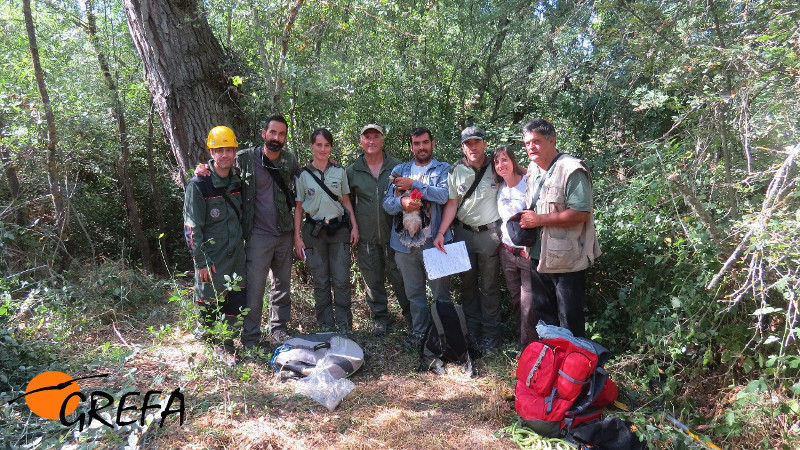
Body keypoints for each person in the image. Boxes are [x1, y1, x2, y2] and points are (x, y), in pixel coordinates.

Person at [194, 115, 299, 349]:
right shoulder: (245, 158)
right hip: (257, 235)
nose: (277, 138)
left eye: (281, 134)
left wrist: (329, 163)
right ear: (264, 133)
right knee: (254, 288)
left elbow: (307, 181)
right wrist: (202, 168)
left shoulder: (289, 160)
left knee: (282, 284)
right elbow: (221, 166)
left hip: (284, 232)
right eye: (273, 133)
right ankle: (250, 337)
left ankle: (278, 329)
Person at [518, 118, 601, 337]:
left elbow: (581, 213)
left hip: (567, 261)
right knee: (546, 320)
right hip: (538, 257)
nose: (531, 147)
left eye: (536, 141)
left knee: (569, 321)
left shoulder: (571, 169)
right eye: (527, 143)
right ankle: (553, 368)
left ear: (552, 140)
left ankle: (576, 369)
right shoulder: (533, 170)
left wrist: (539, 220)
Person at [433, 126, 503, 352]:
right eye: (468, 144)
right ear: (463, 147)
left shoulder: (497, 165)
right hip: (463, 233)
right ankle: (472, 330)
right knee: (468, 284)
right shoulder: (456, 171)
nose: (472, 147)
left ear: (484, 144)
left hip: (490, 234)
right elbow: (452, 204)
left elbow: (518, 181)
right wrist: (442, 232)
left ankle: (492, 334)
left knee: (490, 285)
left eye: (477, 142)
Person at [183, 126, 246, 364]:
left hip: (236, 255)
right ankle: (212, 344)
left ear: (235, 151)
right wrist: (200, 261)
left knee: (234, 300)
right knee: (210, 301)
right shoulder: (199, 184)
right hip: (212, 257)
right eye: (219, 150)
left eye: (229, 149)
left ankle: (227, 343)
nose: (225, 155)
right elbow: (191, 227)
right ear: (211, 151)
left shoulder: (239, 180)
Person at [383, 127, 452, 347]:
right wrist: (401, 202)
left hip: (435, 242)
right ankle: (420, 335)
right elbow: (387, 204)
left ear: (432, 144)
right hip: (404, 244)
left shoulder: (443, 169)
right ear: (411, 146)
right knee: (414, 294)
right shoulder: (399, 170)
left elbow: (443, 196)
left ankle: (446, 336)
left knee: (441, 293)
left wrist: (414, 185)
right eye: (416, 143)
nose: (421, 147)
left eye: (425, 142)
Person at [346, 124, 410, 336]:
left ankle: (410, 314)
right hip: (366, 234)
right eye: (367, 137)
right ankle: (380, 317)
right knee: (372, 278)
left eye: (376, 137)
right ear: (361, 141)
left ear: (382, 140)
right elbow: (348, 203)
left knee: (400, 275)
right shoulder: (353, 170)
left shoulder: (397, 167)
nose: (371, 141)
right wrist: (353, 228)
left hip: (395, 233)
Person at [294, 128, 359, 332]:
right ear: (312, 146)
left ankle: (344, 326)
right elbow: (297, 208)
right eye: (319, 145)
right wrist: (297, 237)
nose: (323, 149)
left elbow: (347, 201)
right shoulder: (302, 175)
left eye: (327, 145)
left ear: (331, 147)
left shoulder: (339, 171)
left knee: (341, 280)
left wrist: (354, 227)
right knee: (321, 281)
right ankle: (326, 326)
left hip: (339, 230)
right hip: (314, 232)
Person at [492, 146, 535, 349]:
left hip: (527, 253)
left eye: (505, 160)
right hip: (507, 251)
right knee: (517, 299)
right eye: (497, 162)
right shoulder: (501, 186)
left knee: (529, 303)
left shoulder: (528, 184)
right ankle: (524, 338)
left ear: (513, 161)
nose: (501, 165)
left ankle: (528, 348)